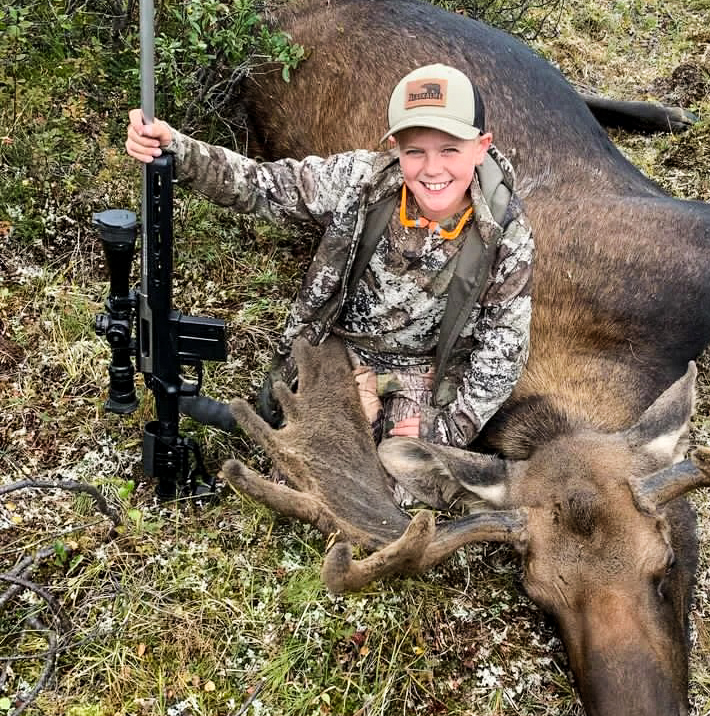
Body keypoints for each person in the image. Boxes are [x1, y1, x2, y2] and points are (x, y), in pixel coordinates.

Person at [125, 63, 533, 448]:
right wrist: (176, 148)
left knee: (404, 478)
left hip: (425, 371)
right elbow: (263, 185)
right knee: (307, 459)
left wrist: (448, 429)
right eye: (415, 152)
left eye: (449, 150)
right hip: (340, 351)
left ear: (481, 148)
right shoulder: (360, 180)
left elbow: (504, 347)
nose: (432, 168)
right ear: (395, 147)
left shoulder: (506, 234)